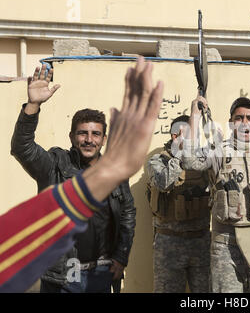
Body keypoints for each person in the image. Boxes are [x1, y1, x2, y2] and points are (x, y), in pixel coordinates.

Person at [1, 56, 164, 293]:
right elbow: (21, 147)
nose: (89, 139)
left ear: (104, 139)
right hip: (62, 275)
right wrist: (32, 106)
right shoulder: (55, 165)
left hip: (102, 272)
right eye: (82, 133)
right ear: (72, 138)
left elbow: (128, 213)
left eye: (95, 134)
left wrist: (121, 258)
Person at [182, 96, 250, 292]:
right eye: (239, 118)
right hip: (226, 247)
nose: (244, 123)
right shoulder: (219, 152)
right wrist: (195, 116)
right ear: (231, 123)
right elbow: (189, 161)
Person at [147, 115, 211, 293]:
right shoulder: (158, 160)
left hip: (201, 242)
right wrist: (182, 155)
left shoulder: (203, 160)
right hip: (169, 243)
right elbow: (163, 183)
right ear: (175, 136)